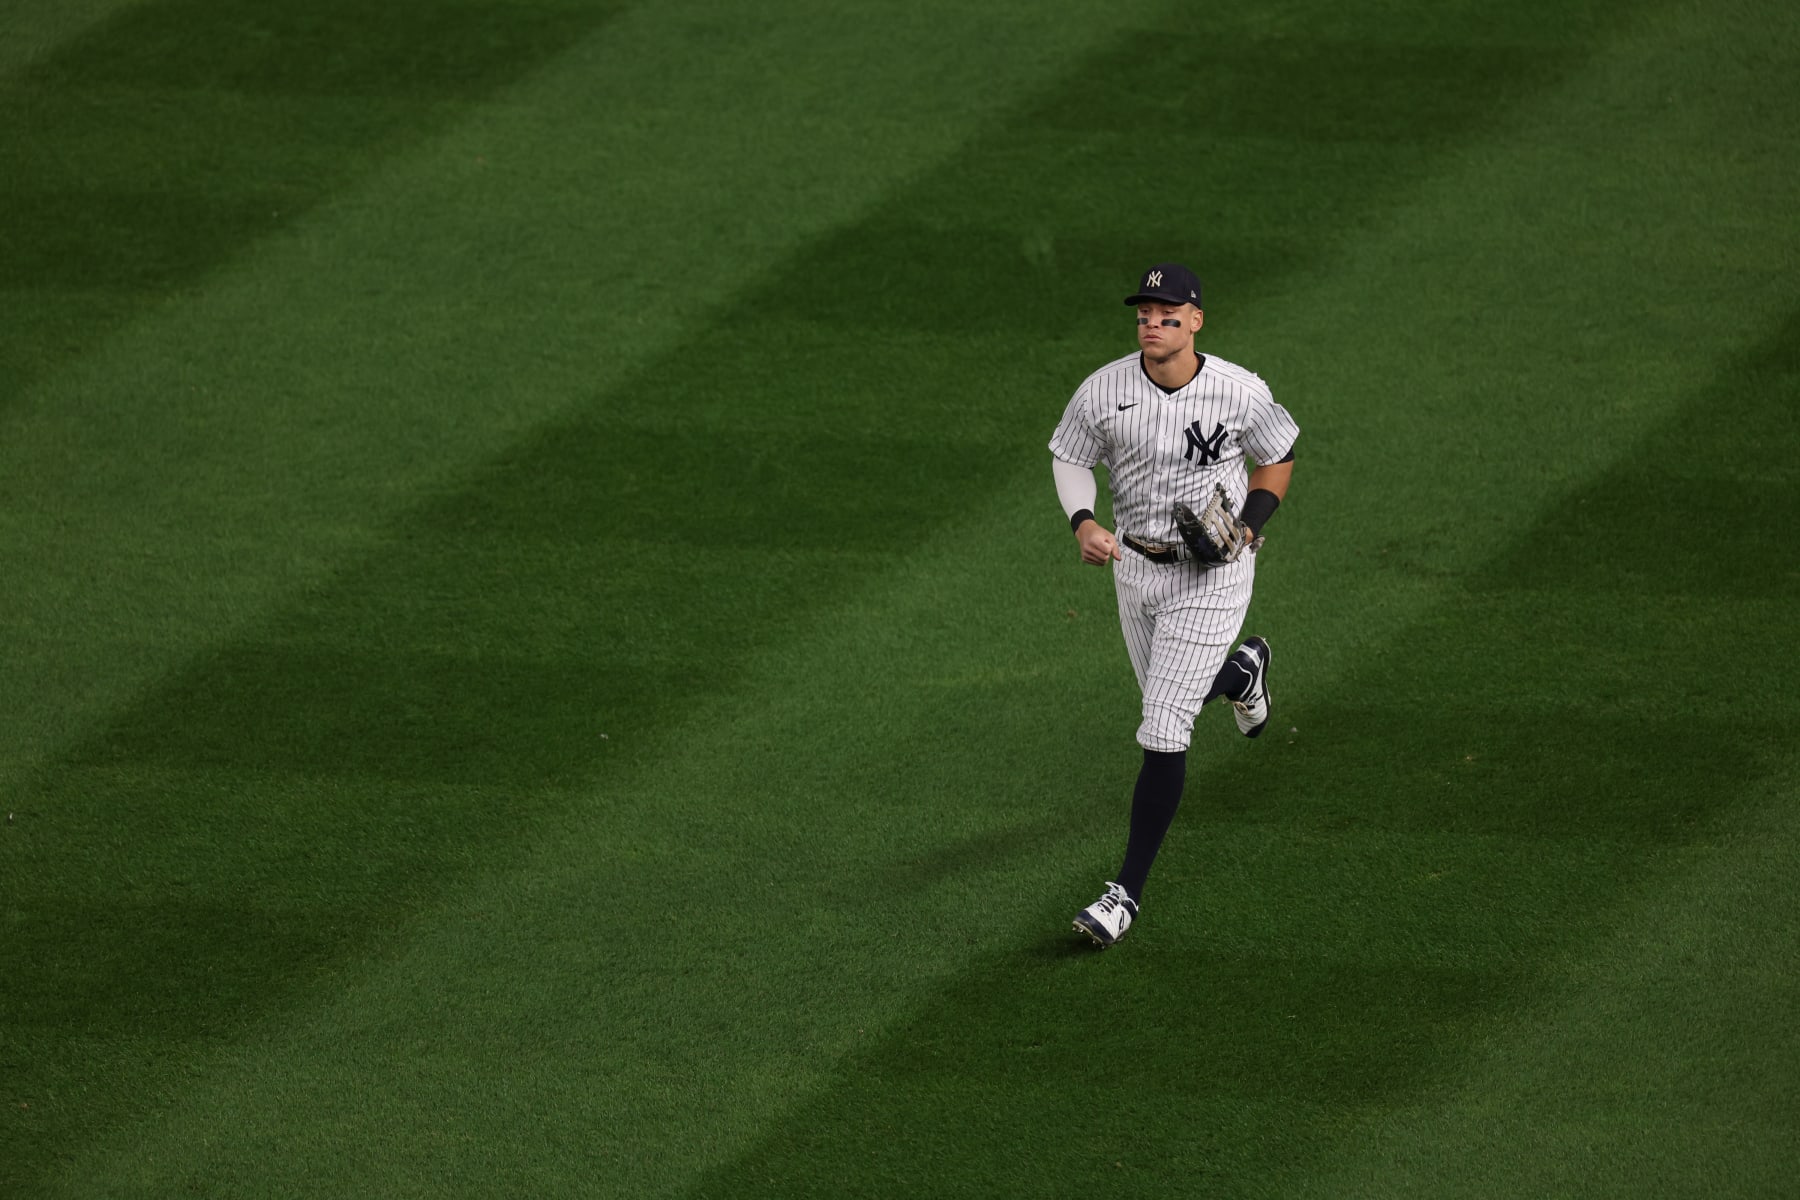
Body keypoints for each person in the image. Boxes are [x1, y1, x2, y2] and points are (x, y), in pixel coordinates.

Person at [1047, 262, 1299, 947]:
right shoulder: (1104, 391)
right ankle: (1241, 673)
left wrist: (1251, 523)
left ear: (1195, 321)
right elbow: (1068, 455)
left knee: (1163, 727)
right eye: (1143, 314)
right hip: (1136, 568)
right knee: (1170, 703)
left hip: (1214, 576)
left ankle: (1124, 894)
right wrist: (1083, 521)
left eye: (1166, 314)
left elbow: (1280, 452)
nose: (1152, 324)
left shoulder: (1238, 390)